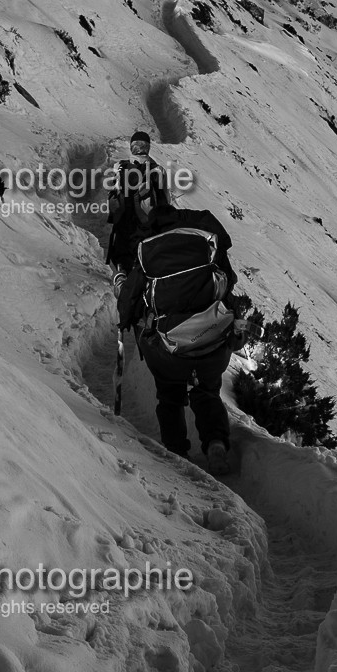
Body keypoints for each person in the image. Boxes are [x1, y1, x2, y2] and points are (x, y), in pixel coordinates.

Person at [113, 199, 239, 475]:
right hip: (211, 340)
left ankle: (178, 454)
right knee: (207, 391)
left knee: (170, 397)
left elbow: (129, 301)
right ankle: (216, 442)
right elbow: (229, 283)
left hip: (167, 348)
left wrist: (122, 305)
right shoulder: (207, 245)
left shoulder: (149, 253)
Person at [104, 130, 169, 277]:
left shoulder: (119, 166)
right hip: (147, 220)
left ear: (131, 146)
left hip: (123, 219)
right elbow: (165, 198)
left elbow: (114, 191)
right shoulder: (158, 170)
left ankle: (121, 276)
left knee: (122, 250)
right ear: (148, 147)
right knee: (143, 251)